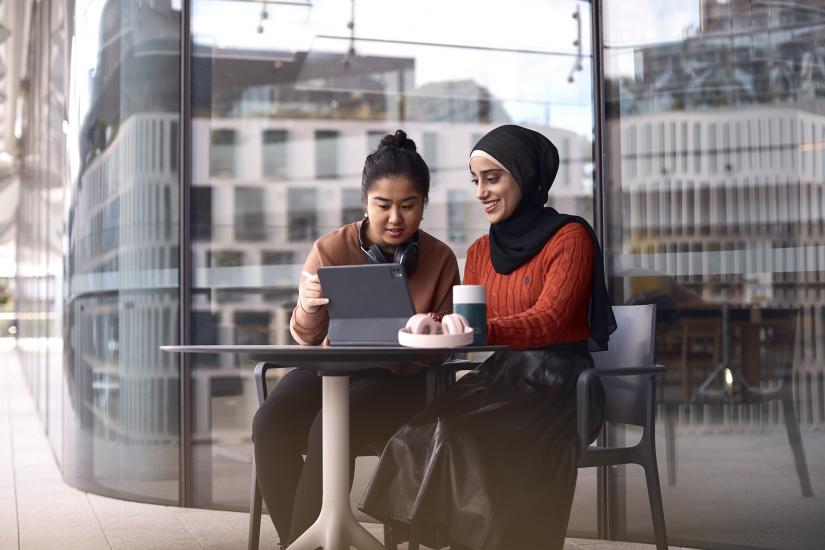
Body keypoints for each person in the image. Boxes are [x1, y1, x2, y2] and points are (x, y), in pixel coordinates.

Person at [360, 125, 617, 550]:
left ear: (526, 174)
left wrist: (476, 329)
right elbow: (466, 323)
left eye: (492, 178)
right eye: (476, 180)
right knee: (417, 433)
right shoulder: (480, 250)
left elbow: (550, 319)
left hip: (561, 384)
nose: (481, 192)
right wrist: (432, 323)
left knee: (466, 439)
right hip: (501, 377)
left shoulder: (571, 237)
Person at [252, 130, 460, 547]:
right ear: (365, 203)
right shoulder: (329, 249)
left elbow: (445, 351)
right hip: (333, 371)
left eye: (408, 206)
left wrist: (432, 330)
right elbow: (306, 339)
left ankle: (301, 544)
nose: (395, 218)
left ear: (423, 206)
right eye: (383, 206)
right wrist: (309, 307)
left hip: (407, 380)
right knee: (269, 423)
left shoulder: (439, 259)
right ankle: (295, 540)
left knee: (329, 426)